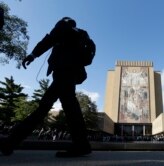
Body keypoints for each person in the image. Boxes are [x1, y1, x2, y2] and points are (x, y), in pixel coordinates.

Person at [0, 17, 94, 157]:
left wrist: (32, 55)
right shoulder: (82, 34)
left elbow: (48, 40)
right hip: (73, 73)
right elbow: (90, 51)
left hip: (63, 72)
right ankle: (82, 144)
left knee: (44, 106)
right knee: (70, 106)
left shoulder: (63, 27)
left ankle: (11, 142)